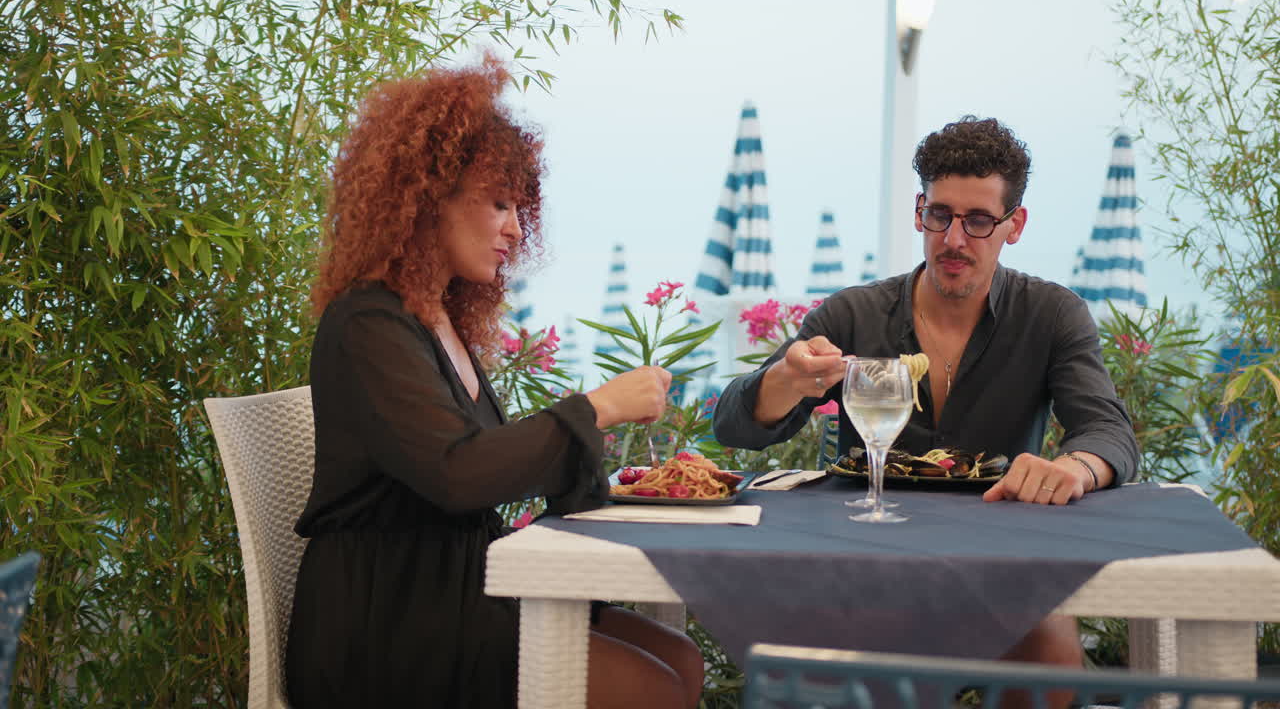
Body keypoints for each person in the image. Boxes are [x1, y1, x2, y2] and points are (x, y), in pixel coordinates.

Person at [285, 56, 704, 709]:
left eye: (521, 207)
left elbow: (493, 465)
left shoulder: (436, 318)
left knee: (679, 657)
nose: (516, 228)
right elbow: (459, 475)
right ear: (428, 198)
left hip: (459, 589)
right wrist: (595, 408)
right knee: (656, 690)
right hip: (387, 623)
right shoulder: (368, 322)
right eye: (499, 203)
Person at [712, 117, 1139, 700]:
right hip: (864, 568)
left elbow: (1107, 430)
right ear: (920, 212)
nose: (954, 240)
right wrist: (786, 380)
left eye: (979, 221)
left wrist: (1074, 468)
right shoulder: (851, 316)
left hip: (1003, 570)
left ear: (1014, 225)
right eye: (939, 215)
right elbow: (735, 427)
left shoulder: (1052, 315)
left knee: (1051, 651)